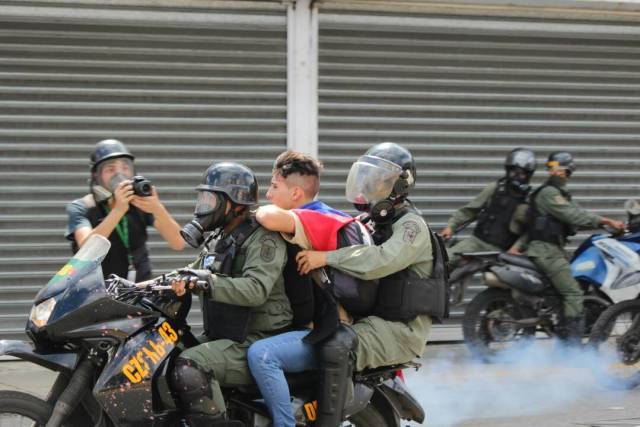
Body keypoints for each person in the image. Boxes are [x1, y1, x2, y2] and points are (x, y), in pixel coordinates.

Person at [260, 143, 448, 426]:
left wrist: (324, 257)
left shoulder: (412, 226)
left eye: (381, 178)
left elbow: (380, 260)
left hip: (401, 328)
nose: (371, 183)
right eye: (370, 175)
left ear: (399, 185)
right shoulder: (370, 222)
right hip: (373, 319)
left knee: (336, 345)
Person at [247, 150, 371, 427]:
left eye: (274, 186)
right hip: (313, 328)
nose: (268, 194)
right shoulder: (320, 215)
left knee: (262, 355)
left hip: (326, 333)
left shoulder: (318, 217)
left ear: (295, 194)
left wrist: (242, 210)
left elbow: (267, 216)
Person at [169, 161, 292, 426]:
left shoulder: (264, 238)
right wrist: (137, 287)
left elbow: (256, 289)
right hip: (225, 335)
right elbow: (189, 272)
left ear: (235, 203)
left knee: (191, 365)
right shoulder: (220, 238)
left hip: (256, 339)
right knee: (164, 355)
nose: (203, 206)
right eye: (202, 198)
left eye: (210, 199)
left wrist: (207, 282)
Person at [525, 151, 625, 344]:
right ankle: (571, 343)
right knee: (573, 293)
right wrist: (605, 220)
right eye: (553, 167)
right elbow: (573, 216)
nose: (556, 171)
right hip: (546, 252)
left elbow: (578, 214)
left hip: (552, 250)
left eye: (559, 168)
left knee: (569, 287)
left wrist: (607, 224)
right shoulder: (549, 193)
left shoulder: (559, 194)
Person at [65, 139, 184, 281]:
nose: (120, 174)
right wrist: (118, 210)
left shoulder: (139, 205)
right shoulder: (82, 207)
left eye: (125, 167)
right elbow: (86, 250)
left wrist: (157, 208)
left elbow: (178, 243)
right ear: (96, 175)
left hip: (138, 293)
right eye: (110, 169)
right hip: (97, 294)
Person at [441, 147, 536, 265]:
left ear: (528, 176)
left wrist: (516, 248)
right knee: (445, 263)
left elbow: (529, 232)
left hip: (503, 253)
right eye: (513, 172)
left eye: (521, 174)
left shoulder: (530, 201)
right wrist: (451, 226)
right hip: (476, 243)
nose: (516, 176)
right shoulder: (495, 188)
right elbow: (470, 210)